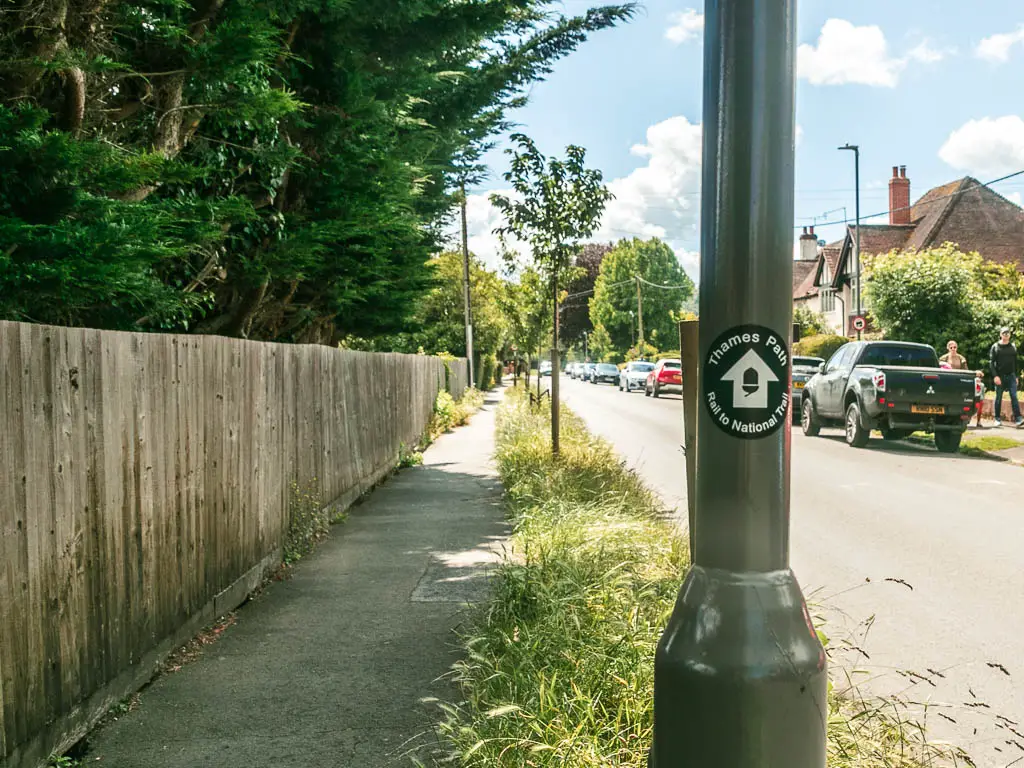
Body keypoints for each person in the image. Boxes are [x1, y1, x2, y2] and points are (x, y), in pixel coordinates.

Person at [989, 326, 1023, 427]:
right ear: (1000, 335)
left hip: (1011, 375)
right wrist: (995, 376)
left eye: (1007, 333)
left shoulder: (1013, 346)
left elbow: (1016, 362)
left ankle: (1018, 419)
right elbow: (991, 363)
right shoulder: (995, 347)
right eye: (1004, 333)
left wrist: (1016, 376)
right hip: (1000, 376)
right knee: (998, 398)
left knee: (1014, 396)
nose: (1006, 335)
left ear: (1010, 335)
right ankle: (997, 419)